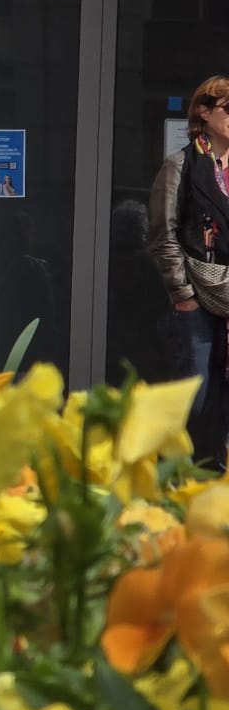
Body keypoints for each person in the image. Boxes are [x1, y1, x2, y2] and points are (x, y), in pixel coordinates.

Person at [148, 76, 229, 468]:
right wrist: (183, 296)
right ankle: (175, 474)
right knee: (193, 398)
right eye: (228, 109)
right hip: (198, 297)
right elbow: (162, 235)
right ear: (203, 111)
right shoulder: (180, 165)